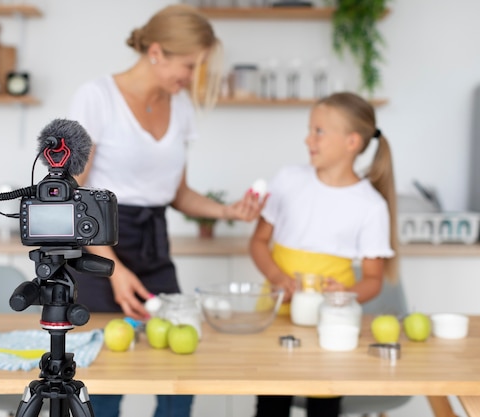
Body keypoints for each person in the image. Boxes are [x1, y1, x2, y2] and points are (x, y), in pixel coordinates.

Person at [67, 5, 265, 417]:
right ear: (156, 51)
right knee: (105, 379)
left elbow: (177, 193)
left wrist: (228, 211)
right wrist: (113, 268)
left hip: (155, 246)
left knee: (179, 373)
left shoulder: (182, 108)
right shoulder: (97, 97)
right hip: (98, 249)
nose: (193, 79)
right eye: (190, 66)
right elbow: (73, 193)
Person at [249, 92, 399, 417]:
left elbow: (373, 280)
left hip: (332, 323)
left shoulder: (370, 206)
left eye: (319, 131)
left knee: (324, 405)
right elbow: (258, 242)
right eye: (309, 129)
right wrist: (277, 278)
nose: (308, 139)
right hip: (277, 315)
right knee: (270, 406)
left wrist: (345, 294)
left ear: (352, 142)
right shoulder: (288, 180)